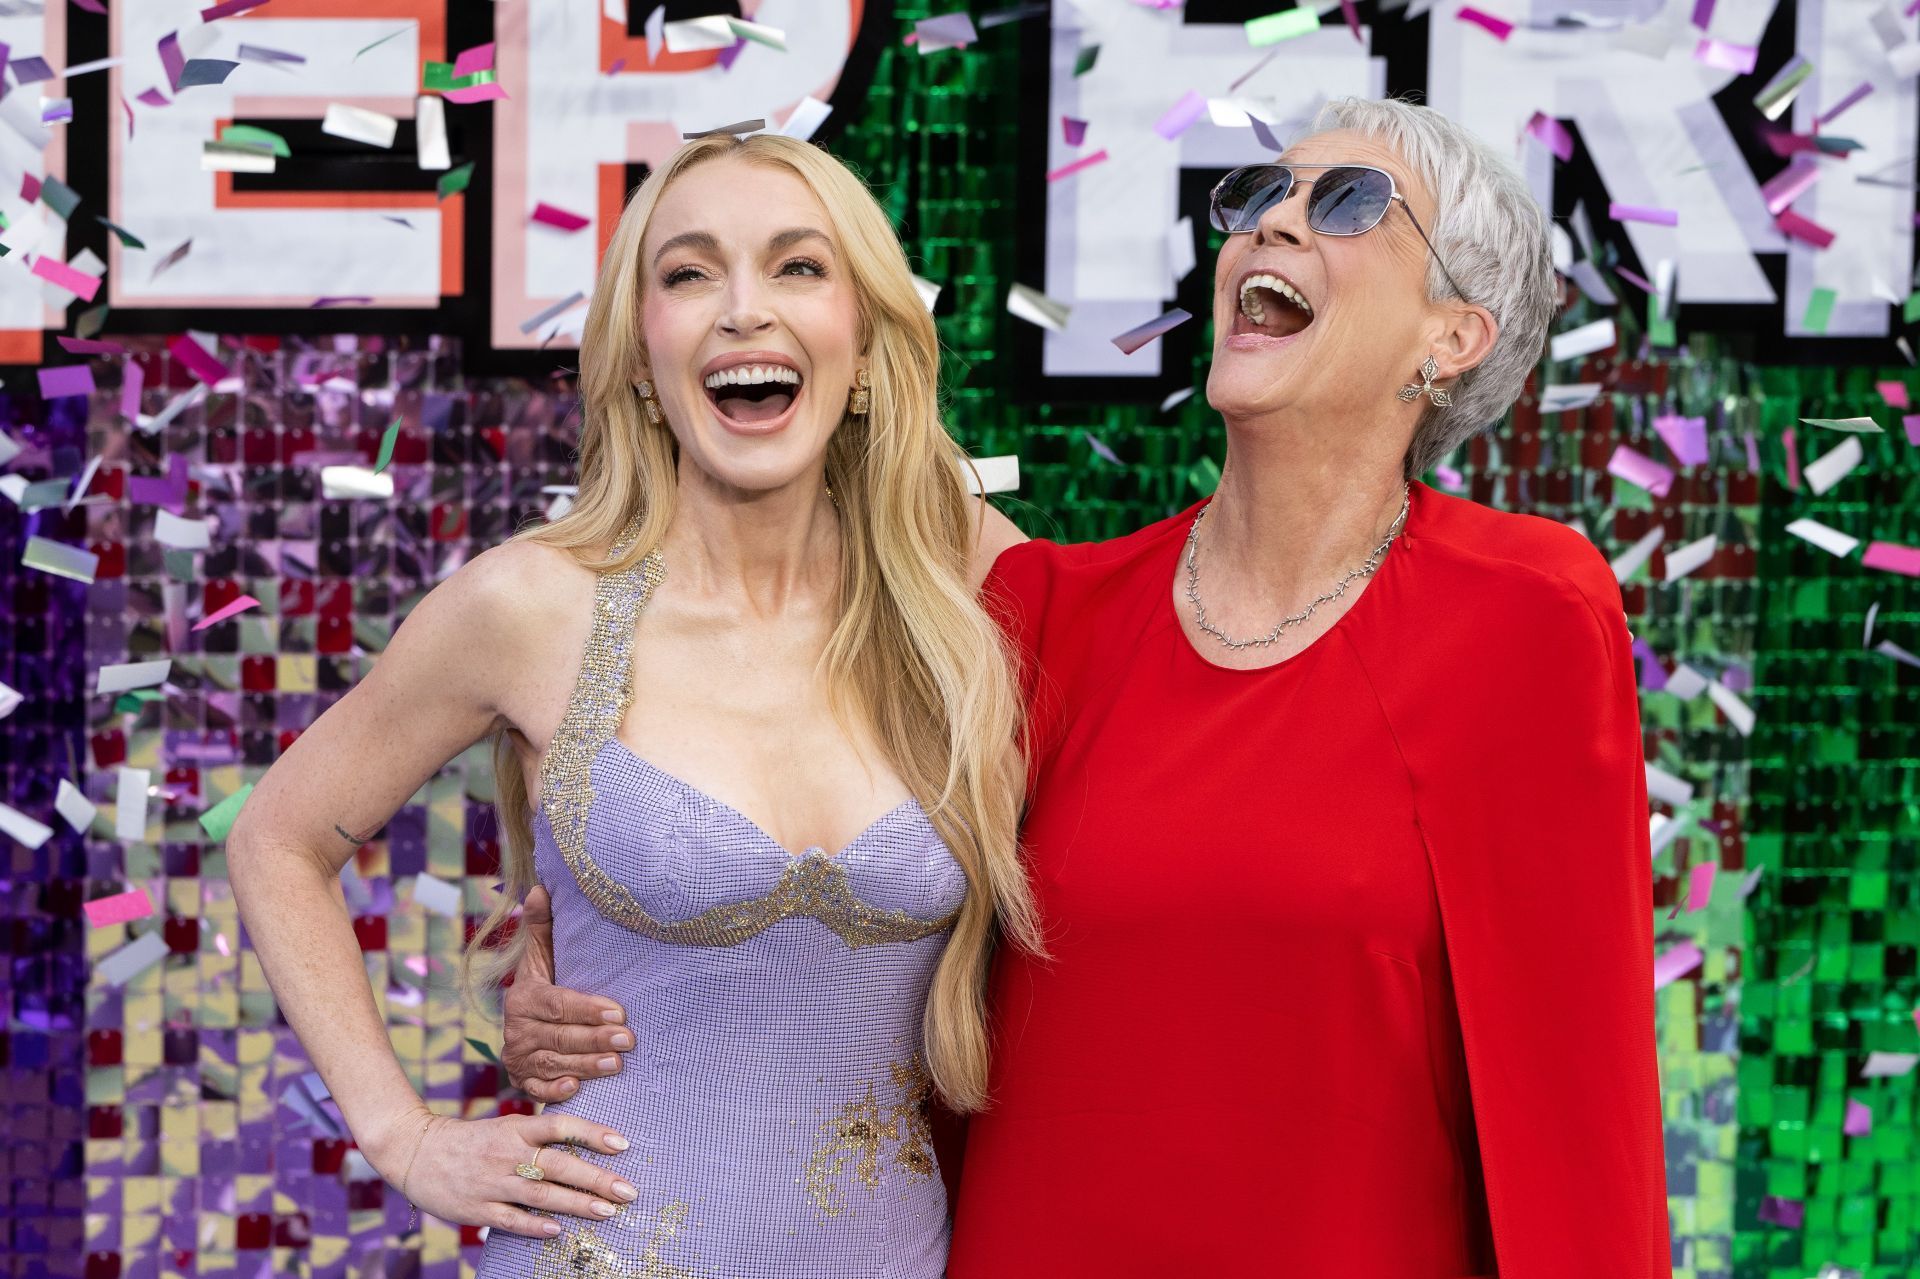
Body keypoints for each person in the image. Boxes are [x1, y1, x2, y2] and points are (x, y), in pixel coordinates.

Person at [505, 96, 1674, 1276]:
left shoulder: (1522, 610)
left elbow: (1577, 1090)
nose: (1272, 225)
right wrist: (607, 976)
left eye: (1349, 203)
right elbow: (837, 893)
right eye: (1259, 196)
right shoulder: (1049, 612)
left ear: (1453, 336)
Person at [225, 130, 1042, 1278]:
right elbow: (276, 837)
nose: (743, 309)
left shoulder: (971, 581)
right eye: (690, 272)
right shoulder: (531, 605)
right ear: (642, 356)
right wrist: (403, 1137)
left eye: (799, 266)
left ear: (863, 343)